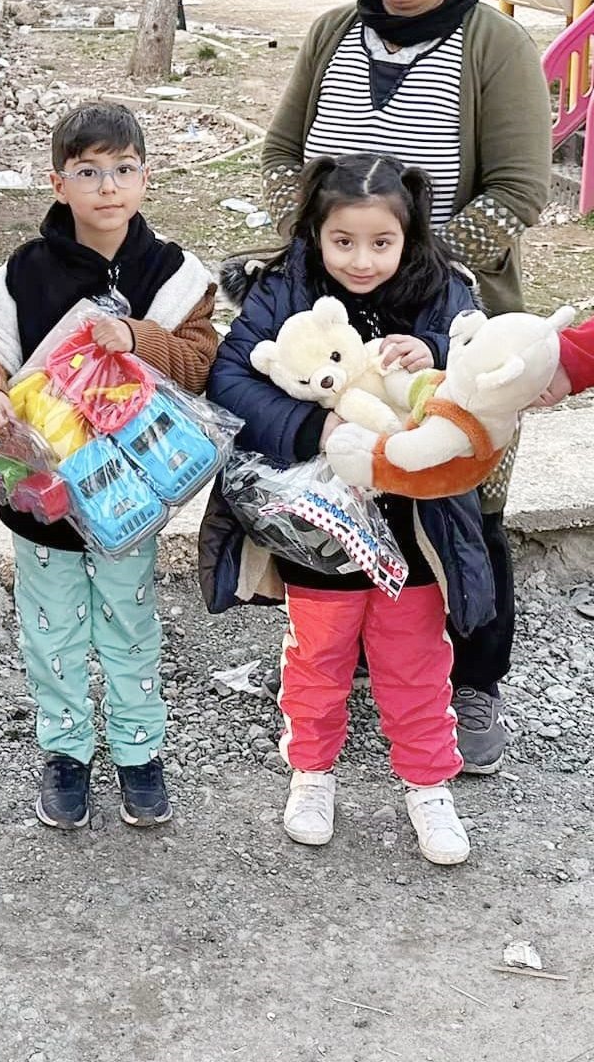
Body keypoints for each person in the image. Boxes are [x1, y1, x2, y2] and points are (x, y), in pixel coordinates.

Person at [260, 0, 550, 776]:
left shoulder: (496, 49)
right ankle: (338, 672)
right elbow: (278, 158)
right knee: (343, 490)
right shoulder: (332, 32)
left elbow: (518, 190)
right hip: (329, 326)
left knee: (461, 503)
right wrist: (318, 261)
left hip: (452, 329)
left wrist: (413, 277)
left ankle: (474, 685)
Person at [206, 155, 493, 865]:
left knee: (415, 660)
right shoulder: (284, 290)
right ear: (315, 232)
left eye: (380, 243)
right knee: (319, 654)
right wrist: (317, 430)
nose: (361, 260)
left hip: (416, 523)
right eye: (343, 242)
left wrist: (429, 349)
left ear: (409, 235)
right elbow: (230, 378)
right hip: (319, 529)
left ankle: (429, 786)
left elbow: (486, 374)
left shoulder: (444, 293)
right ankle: (311, 771)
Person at [0, 103, 216, 830]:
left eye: (124, 170)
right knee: (52, 630)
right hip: (42, 492)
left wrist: (135, 337)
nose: (109, 187)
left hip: (131, 497)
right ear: (58, 183)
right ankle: (66, 752)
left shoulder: (171, 277)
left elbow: (199, 363)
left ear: (146, 177)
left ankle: (139, 752)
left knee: (130, 624)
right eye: (89, 172)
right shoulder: (19, 277)